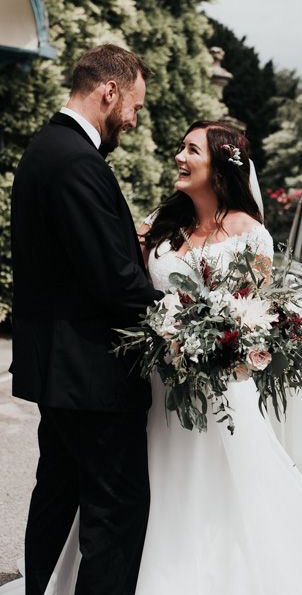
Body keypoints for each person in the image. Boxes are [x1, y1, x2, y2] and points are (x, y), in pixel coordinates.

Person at [1, 120, 302, 594]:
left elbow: (259, 314)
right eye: (180, 147)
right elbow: (121, 281)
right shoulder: (161, 224)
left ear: (219, 165)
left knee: (215, 496)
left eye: (191, 150)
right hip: (154, 384)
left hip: (217, 394)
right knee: (136, 493)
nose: (180, 156)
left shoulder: (251, 235)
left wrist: (225, 348)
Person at [6, 44, 163, 595]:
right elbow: (114, 281)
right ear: (109, 91)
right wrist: (180, 323)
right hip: (94, 379)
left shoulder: (45, 151)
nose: (134, 120)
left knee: (55, 498)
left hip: (63, 375)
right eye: (134, 107)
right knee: (114, 517)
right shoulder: (77, 161)